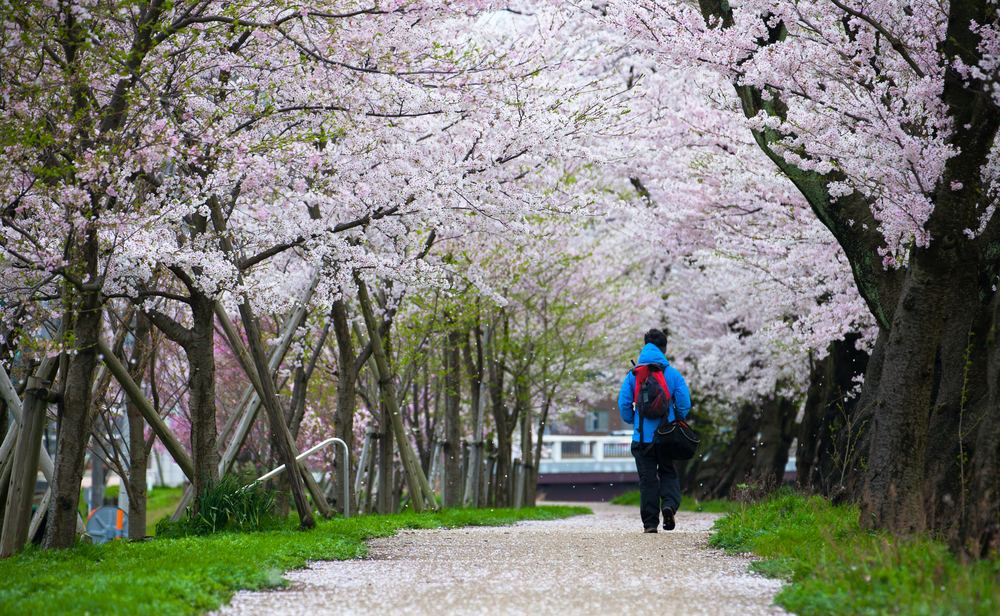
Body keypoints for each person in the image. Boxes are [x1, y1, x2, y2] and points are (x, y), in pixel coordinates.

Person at [618, 328, 691, 533]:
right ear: (664, 349)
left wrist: (634, 421)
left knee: (647, 479)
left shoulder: (634, 374)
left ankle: (650, 524)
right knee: (668, 473)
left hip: (642, 439)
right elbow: (684, 403)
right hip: (666, 437)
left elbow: (623, 404)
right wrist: (676, 420)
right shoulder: (673, 374)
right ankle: (668, 505)